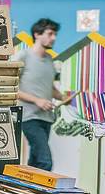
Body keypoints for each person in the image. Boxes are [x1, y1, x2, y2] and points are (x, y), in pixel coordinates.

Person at [16, 18, 70, 171]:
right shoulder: (23, 56)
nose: (54, 38)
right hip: (28, 117)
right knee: (45, 161)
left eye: (55, 34)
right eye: (50, 33)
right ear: (37, 34)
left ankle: (27, 193)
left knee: (35, 162)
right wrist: (37, 100)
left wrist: (63, 97)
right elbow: (11, 87)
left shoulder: (49, 60)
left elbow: (50, 87)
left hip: (46, 118)